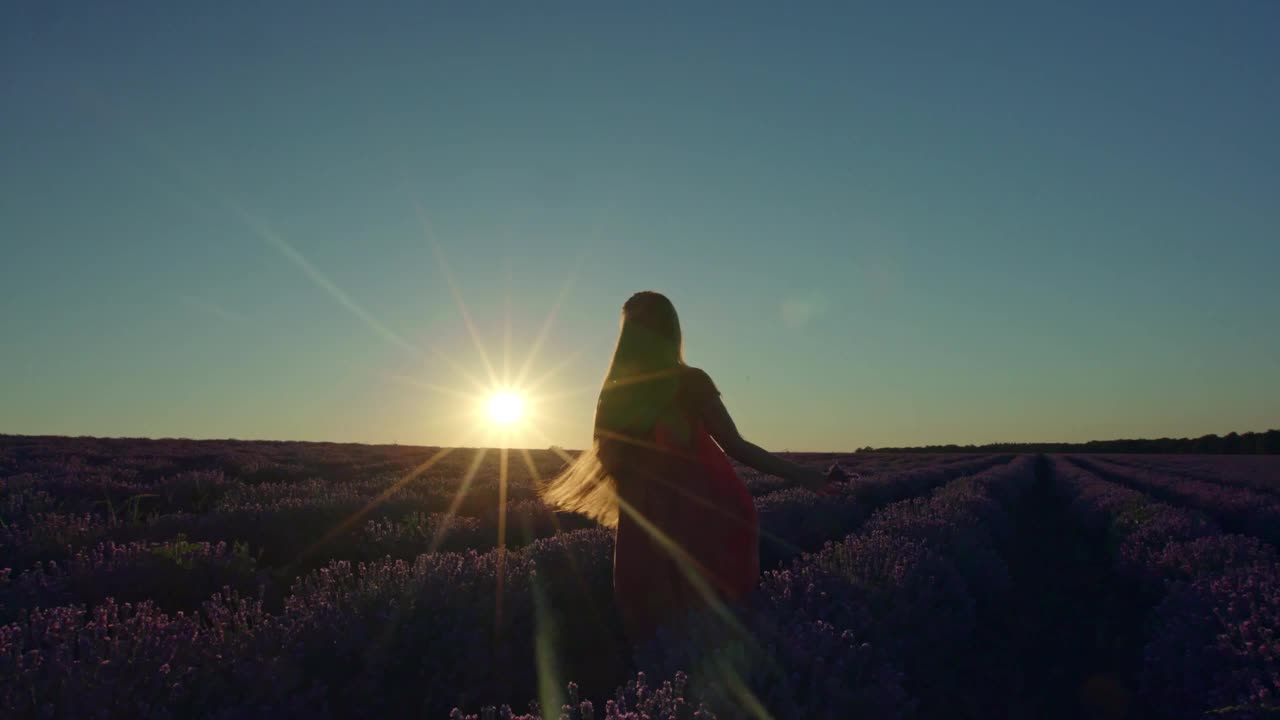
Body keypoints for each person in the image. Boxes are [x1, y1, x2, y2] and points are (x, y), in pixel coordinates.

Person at [540, 291, 842, 643]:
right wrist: (807, 476)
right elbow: (736, 446)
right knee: (719, 628)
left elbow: (608, 460)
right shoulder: (690, 381)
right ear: (672, 330)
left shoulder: (615, 395)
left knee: (652, 627)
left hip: (646, 522)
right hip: (711, 514)